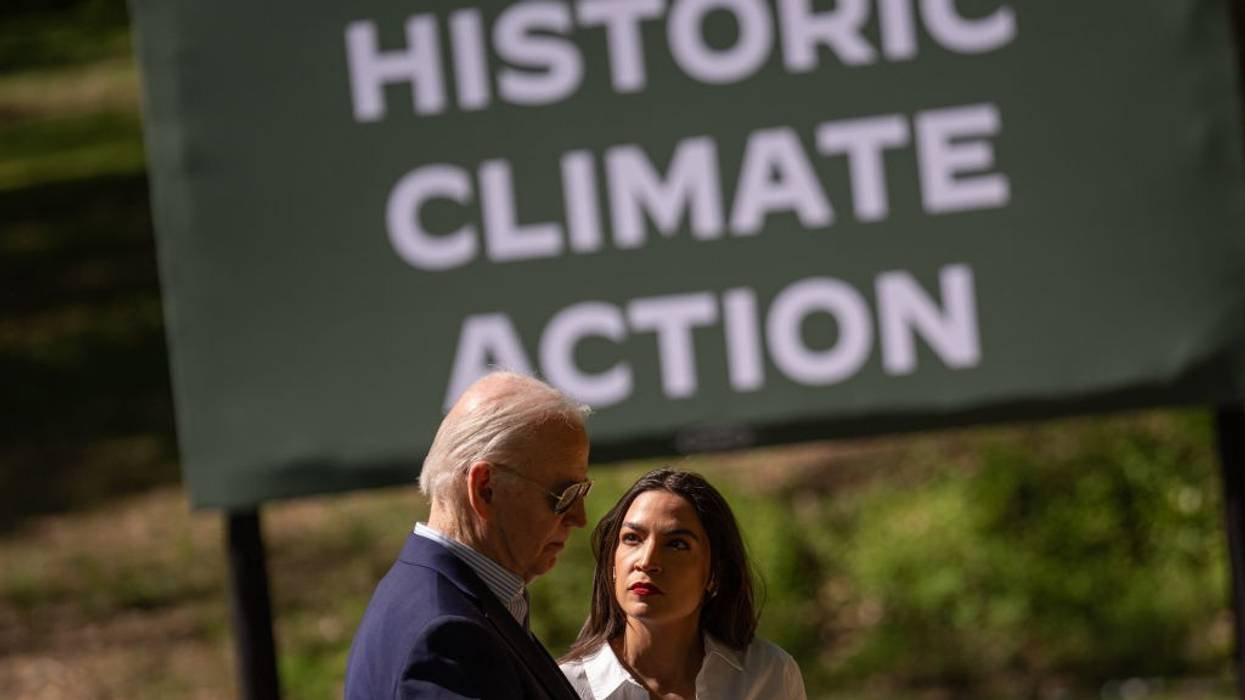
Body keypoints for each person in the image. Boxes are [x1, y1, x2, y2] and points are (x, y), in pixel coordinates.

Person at [345, 371, 592, 700]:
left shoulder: (438, 600)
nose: (579, 518)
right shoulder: (447, 634)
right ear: (485, 488)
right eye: (565, 496)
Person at [559, 469, 806, 700]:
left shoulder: (768, 674)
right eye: (632, 538)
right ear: (612, 562)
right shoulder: (563, 686)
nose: (646, 562)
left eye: (676, 544)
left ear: (714, 574)